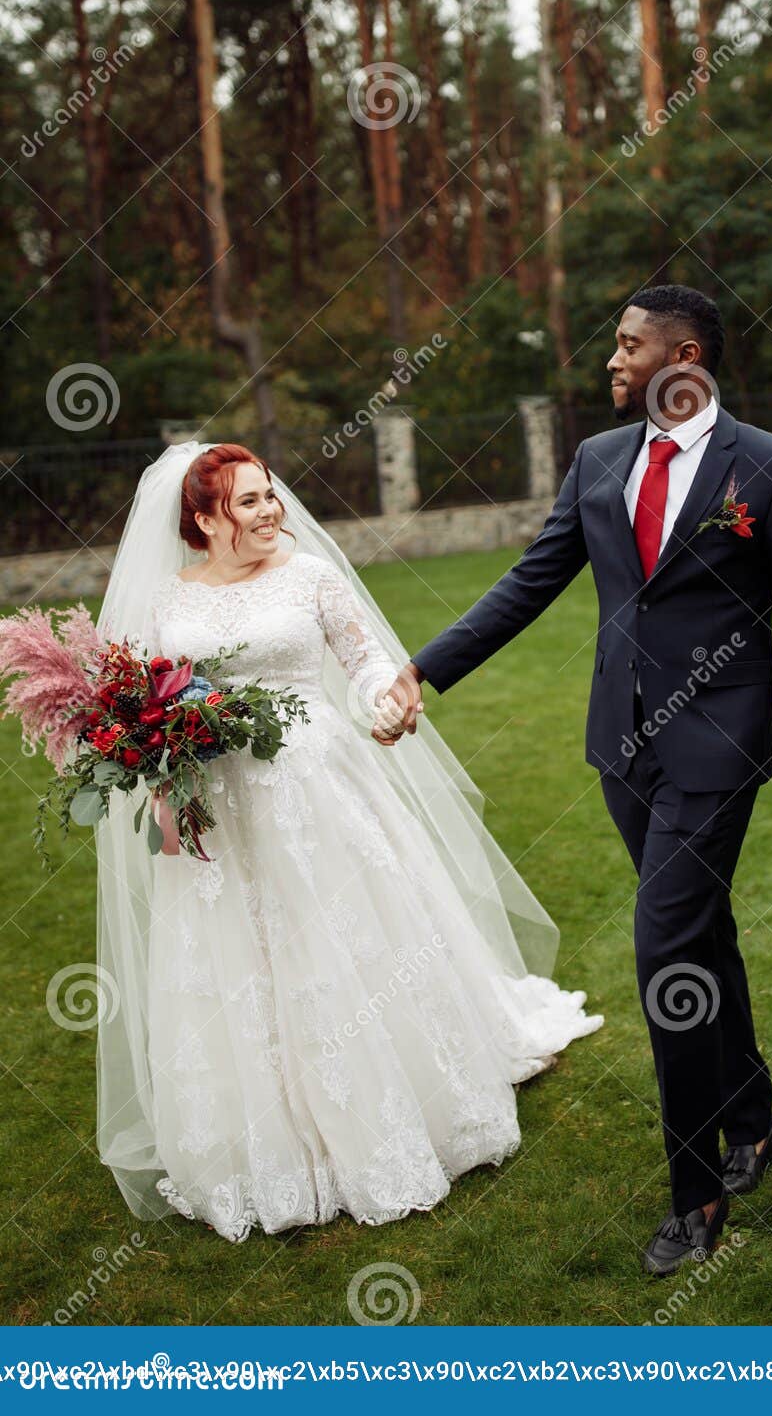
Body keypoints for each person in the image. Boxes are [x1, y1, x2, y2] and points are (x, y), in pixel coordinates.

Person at [381, 285, 772, 1276]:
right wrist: (424, 667)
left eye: (627, 344)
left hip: (717, 750)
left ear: (682, 355)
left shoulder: (767, 468)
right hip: (621, 749)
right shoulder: (599, 461)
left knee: (662, 946)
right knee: (700, 935)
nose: (611, 358)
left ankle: (696, 1193)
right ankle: (754, 1121)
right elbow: (529, 580)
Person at [95, 441, 602, 1242]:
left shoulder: (311, 577)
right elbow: (146, 701)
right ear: (201, 518)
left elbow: (367, 663)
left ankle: (398, 1104)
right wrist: (162, 775)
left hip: (315, 789)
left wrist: (387, 705)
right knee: (235, 956)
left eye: (269, 496)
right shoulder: (166, 600)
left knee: (344, 942)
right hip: (216, 805)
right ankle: (266, 1137)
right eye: (247, 501)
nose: (270, 512)